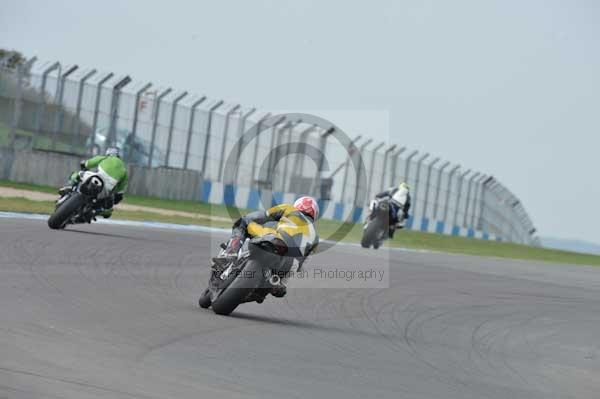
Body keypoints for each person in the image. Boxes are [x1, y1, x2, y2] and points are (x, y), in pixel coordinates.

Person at [212, 196, 320, 298]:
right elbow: (302, 265)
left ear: (298, 205)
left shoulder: (289, 209)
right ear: (314, 215)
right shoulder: (316, 237)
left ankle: (229, 254)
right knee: (291, 269)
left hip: (275, 241)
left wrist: (249, 219)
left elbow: (262, 216)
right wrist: (283, 282)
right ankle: (275, 285)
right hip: (289, 264)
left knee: (243, 222)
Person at [60, 147, 128, 219]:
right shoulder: (124, 171)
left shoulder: (104, 158)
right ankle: (95, 211)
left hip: (94, 177)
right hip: (105, 190)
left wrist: (84, 166)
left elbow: (87, 163)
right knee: (107, 206)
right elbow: (120, 190)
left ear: (108, 153)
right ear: (119, 156)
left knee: (77, 174)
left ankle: (69, 186)